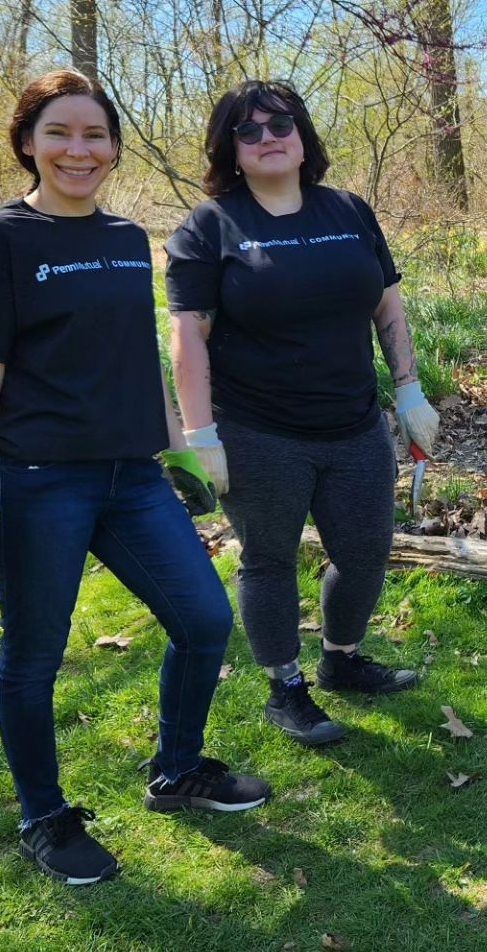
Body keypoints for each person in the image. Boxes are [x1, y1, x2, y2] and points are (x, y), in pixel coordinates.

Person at [0, 70, 271, 887]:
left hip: (131, 478)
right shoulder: (0, 239)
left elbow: (138, 358)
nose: (78, 151)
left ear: (115, 147)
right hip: (36, 480)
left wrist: (178, 445)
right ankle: (43, 816)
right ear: (28, 142)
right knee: (33, 657)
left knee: (202, 620)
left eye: (95, 135)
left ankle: (178, 769)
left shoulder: (127, 239)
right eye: (60, 133)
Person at [164, 81, 439, 748]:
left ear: (303, 132)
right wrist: (199, 435)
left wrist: (409, 390)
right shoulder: (211, 225)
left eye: (280, 123)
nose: (268, 138)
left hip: (353, 423)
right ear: (229, 148)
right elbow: (188, 337)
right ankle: (285, 687)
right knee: (269, 560)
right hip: (257, 430)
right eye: (248, 131)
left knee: (367, 553)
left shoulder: (348, 210)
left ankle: (341, 659)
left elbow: (388, 306)